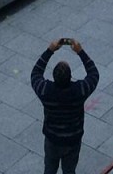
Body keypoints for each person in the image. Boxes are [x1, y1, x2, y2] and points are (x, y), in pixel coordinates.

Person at [30, 37, 99, 174]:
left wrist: (50, 50)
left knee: (49, 169)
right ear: (70, 77)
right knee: (69, 170)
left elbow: (35, 74)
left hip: (52, 139)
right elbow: (94, 74)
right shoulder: (79, 91)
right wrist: (80, 51)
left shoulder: (45, 91)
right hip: (72, 140)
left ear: (54, 77)